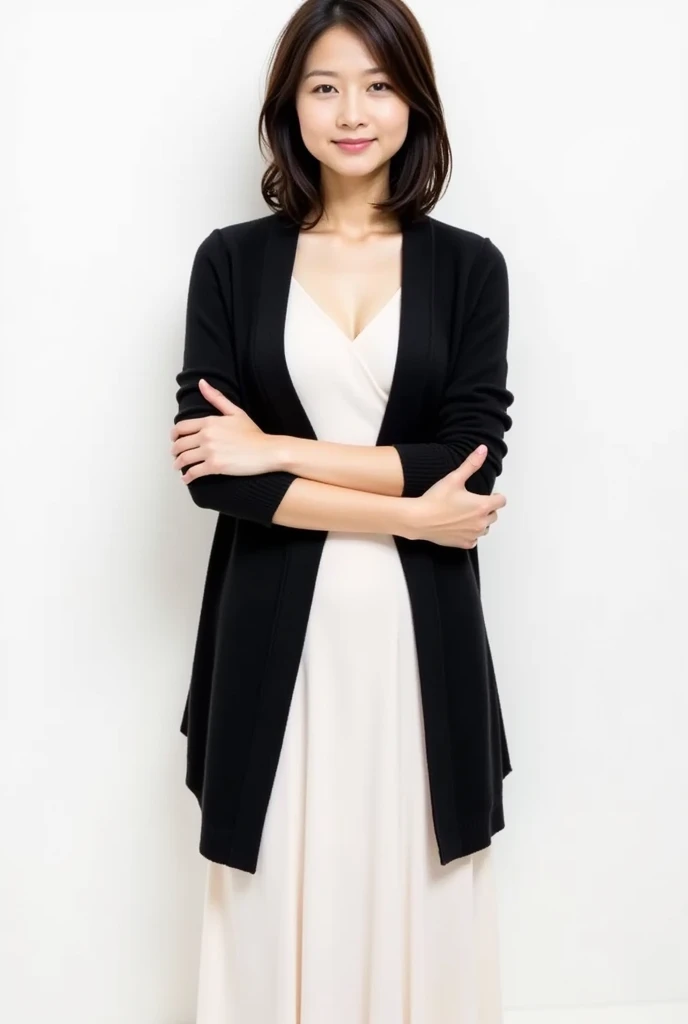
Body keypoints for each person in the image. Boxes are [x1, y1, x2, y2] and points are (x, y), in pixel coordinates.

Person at [170, 0, 515, 1020]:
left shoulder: (468, 267)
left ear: (413, 101)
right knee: (274, 891)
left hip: (421, 646)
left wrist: (276, 445)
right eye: (324, 85)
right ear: (291, 106)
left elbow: (466, 457)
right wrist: (410, 514)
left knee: (424, 892)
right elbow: (212, 474)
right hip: (274, 639)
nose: (351, 110)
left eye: (376, 84)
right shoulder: (231, 262)